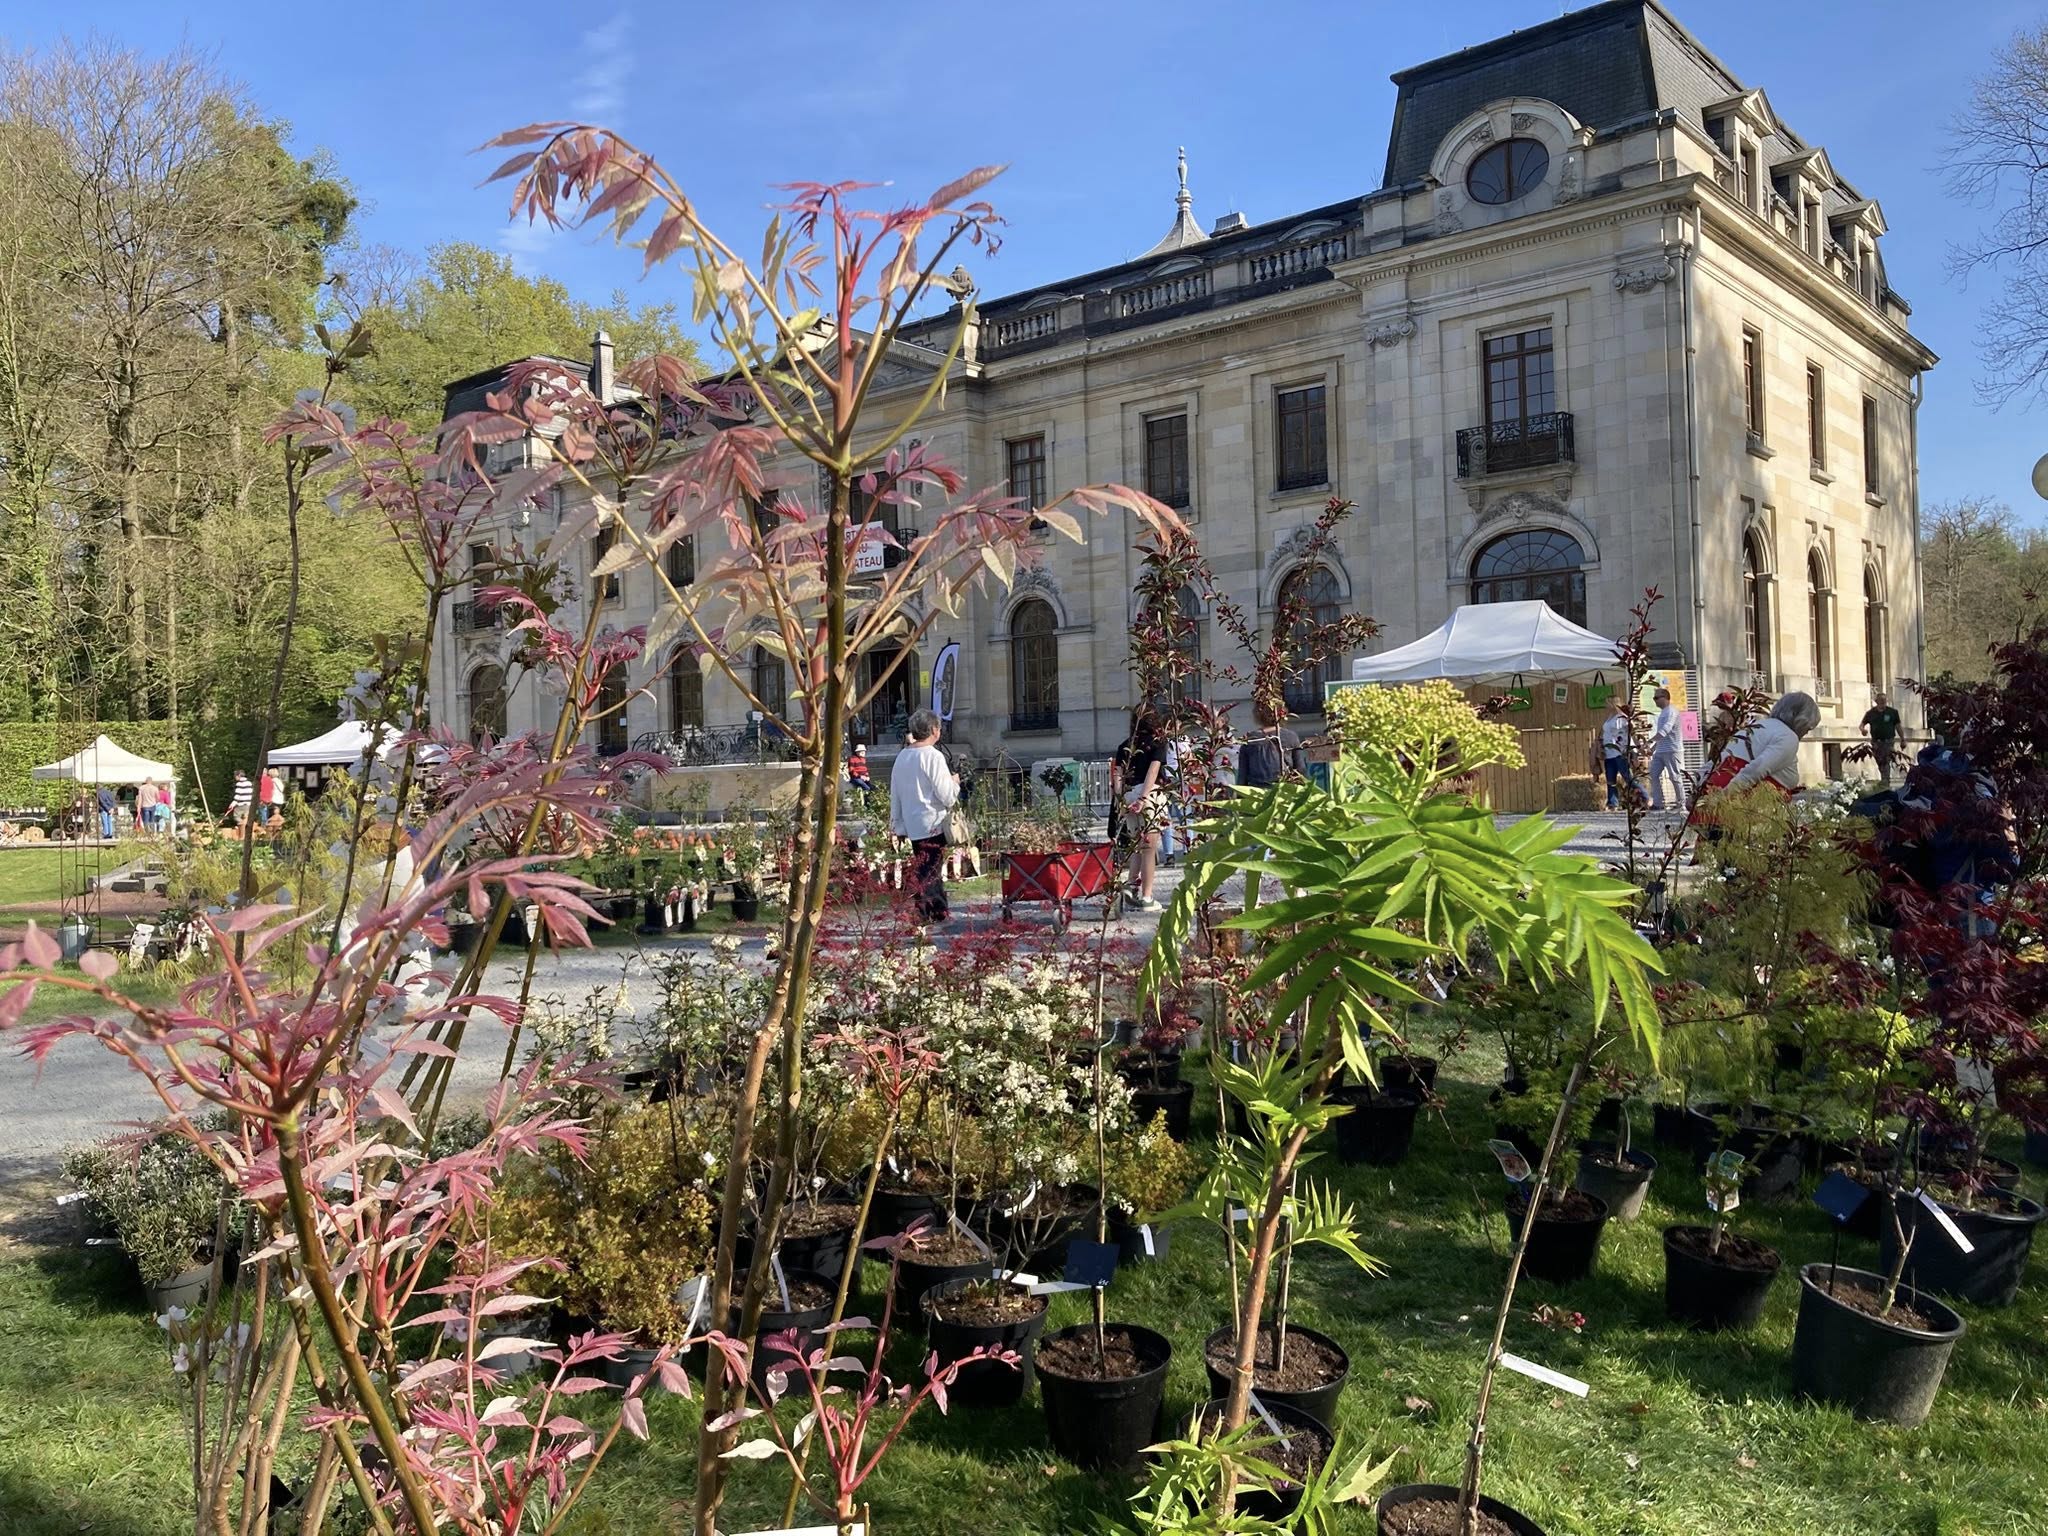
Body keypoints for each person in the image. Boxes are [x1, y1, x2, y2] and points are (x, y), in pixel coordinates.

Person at [888, 709, 958, 925]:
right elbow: (946, 796)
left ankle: (936, 910)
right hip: (933, 821)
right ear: (934, 730)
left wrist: (896, 824)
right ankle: (926, 911)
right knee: (931, 869)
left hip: (912, 822)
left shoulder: (902, 756)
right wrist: (955, 783)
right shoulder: (933, 756)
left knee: (927, 866)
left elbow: (895, 793)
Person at [1705, 691, 1820, 797]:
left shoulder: (1755, 727)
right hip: (1739, 807)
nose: (1806, 732)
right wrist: (1724, 797)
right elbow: (1757, 769)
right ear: (1801, 719)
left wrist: (1697, 791)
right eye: (1808, 727)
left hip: (1714, 796)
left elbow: (1715, 762)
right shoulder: (1788, 737)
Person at [1112, 706, 1168, 913]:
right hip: (1150, 795)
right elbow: (1153, 771)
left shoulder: (1125, 745)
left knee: (1136, 844)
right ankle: (1146, 895)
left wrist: (1121, 800)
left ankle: (1130, 884)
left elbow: (1117, 774)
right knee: (1149, 848)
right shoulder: (1158, 743)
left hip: (1128, 794)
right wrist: (1144, 798)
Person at [1647, 688, 1684, 812]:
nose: (1655, 701)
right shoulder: (1663, 713)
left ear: (1665, 697)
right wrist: (1653, 748)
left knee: (1674, 776)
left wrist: (1650, 742)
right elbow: (1661, 734)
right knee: (1653, 774)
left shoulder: (1671, 711)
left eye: (1656, 698)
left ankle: (1681, 803)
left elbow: (1665, 730)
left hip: (1672, 749)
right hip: (1661, 750)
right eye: (1654, 698)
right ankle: (1658, 802)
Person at [1599, 703, 1641, 811]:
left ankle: (1643, 797)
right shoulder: (1609, 718)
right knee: (1610, 779)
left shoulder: (1621, 718)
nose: (1606, 706)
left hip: (1619, 752)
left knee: (1628, 777)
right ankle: (1612, 803)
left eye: (1608, 703)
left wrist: (1635, 751)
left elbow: (1631, 733)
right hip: (1609, 752)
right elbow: (1604, 734)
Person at [1860, 690, 1902, 786]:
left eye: (1884, 700)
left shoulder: (1892, 712)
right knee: (1879, 761)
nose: (1883, 702)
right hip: (1876, 742)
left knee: (1886, 760)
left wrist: (1902, 739)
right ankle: (1884, 778)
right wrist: (1863, 730)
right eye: (1881, 700)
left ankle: (1885, 781)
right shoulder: (1870, 713)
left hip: (1888, 741)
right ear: (1876, 701)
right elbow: (1862, 725)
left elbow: (1898, 726)